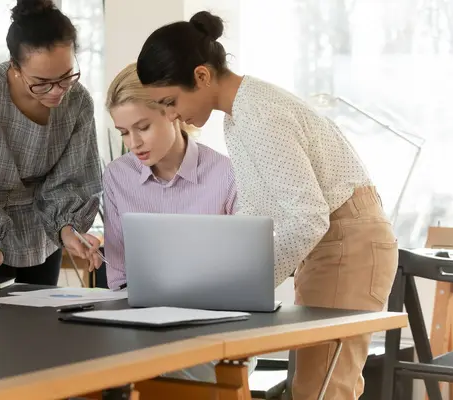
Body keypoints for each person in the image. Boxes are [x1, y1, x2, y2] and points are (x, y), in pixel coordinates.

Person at [135, 11, 398, 400]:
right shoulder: (239, 115)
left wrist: (247, 284)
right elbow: (257, 210)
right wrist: (216, 275)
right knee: (317, 386)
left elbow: (307, 217)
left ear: (202, 76)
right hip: (336, 242)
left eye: (170, 101)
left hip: (347, 242)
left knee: (323, 390)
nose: (172, 115)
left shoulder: (258, 115)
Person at [0, 0, 103, 286]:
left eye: (66, 77)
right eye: (41, 82)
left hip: (40, 235)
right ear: (14, 66)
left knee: (41, 326)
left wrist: (67, 228)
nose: (57, 92)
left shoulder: (78, 102)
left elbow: (72, 179)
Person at [103, 62, 245, 382]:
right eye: (124, 133)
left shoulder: (226, 173)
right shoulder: (116, 176)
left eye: (143, 127)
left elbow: (245, 276)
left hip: (215, 327)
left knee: (176, 371)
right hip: (142, 328)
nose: (134, 143)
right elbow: (119, 276)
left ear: (172, 111)